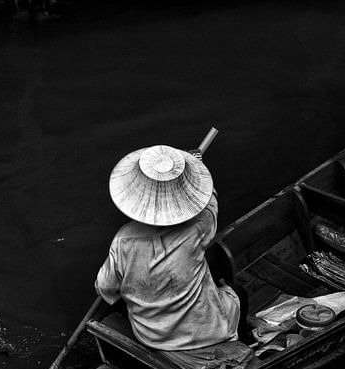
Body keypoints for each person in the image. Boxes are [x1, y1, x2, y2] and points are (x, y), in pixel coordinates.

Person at [95, 144, 240, 351]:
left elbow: (105, 287)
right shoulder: (200, 226)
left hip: (150, 335)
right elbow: (209, 202)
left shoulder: (124, 239)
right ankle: (243, 342)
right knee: (237, 293)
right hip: (206, 332)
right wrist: (196, 169)